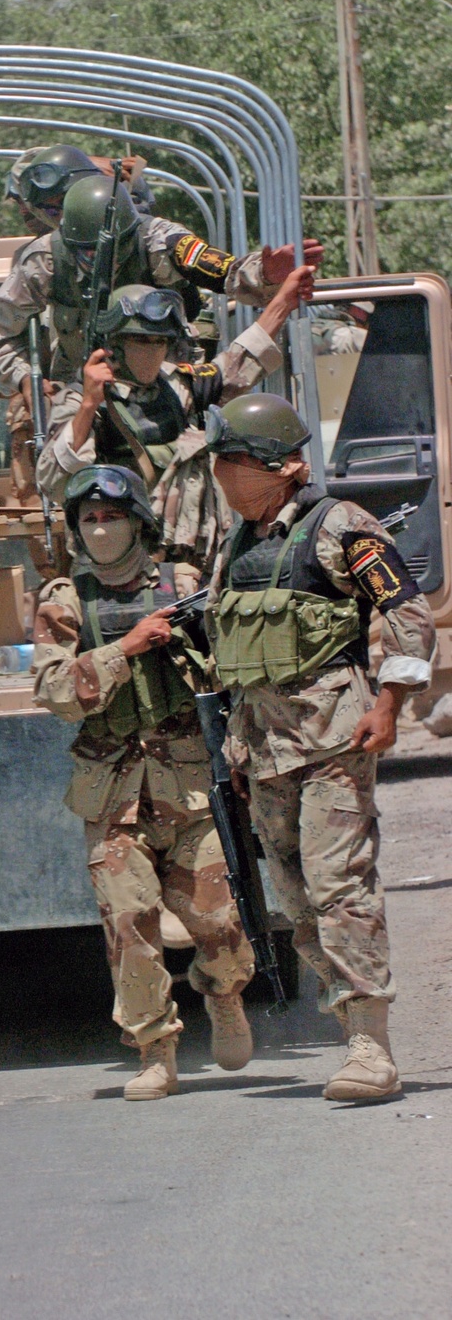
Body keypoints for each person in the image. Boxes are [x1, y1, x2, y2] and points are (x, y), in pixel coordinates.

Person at [204, 393, 437, 1102]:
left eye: (232, 462)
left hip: (334, 732)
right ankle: (350, 1031)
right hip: (265, 747)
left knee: (341, 887)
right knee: (299, 900)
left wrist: (391, 702)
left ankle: (372, 1046)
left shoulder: (341, 528)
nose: (221, 474)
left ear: (279, 466)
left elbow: (408, 613)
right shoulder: (240, 541)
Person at [32, 465, 255, 1100]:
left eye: (113, 516)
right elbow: (53, 690)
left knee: (220, 920)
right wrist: (126, 648)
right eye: (89, 520)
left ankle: (224, 990)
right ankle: (155, 1050)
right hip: (113, 791)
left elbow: (232, 671)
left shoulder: (183, 585)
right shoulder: (65, 601)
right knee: (130, 929)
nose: (101, 529)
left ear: (140, 522)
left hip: (189, 782)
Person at [37, 267, 314, 580]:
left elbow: (238, 363)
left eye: (159, 341)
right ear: (114, 342)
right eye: (140, 340)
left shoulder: (178, 386)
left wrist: (283, 301)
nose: (152, 350)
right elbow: (52, 481)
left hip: (192, 555)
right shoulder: (83, 399)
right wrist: (89, 405)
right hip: (121, 565)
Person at [0, 169, 325, 398]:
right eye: (84, 252)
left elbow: (224, 272)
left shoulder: (162, 241)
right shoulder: (43, 260)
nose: (98, 260)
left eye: (110, 249)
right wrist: (27, 382)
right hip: (82, 391)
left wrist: (265, 274)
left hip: (167, 385)